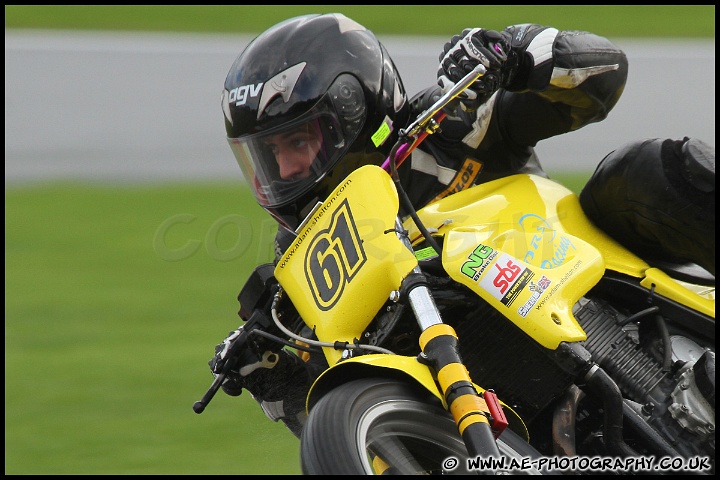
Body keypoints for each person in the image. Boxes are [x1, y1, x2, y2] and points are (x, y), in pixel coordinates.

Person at [211, 13, 715, 438]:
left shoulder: (449, 121)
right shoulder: (301, 271)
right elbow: (337, 420)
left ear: (351, 113)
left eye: (298, 142)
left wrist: (520, 52)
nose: (288, 171)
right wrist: (274, 377)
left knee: (639, 172)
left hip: (586, 283)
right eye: (268, 156)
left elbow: (604, 76)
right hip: (500, 409)